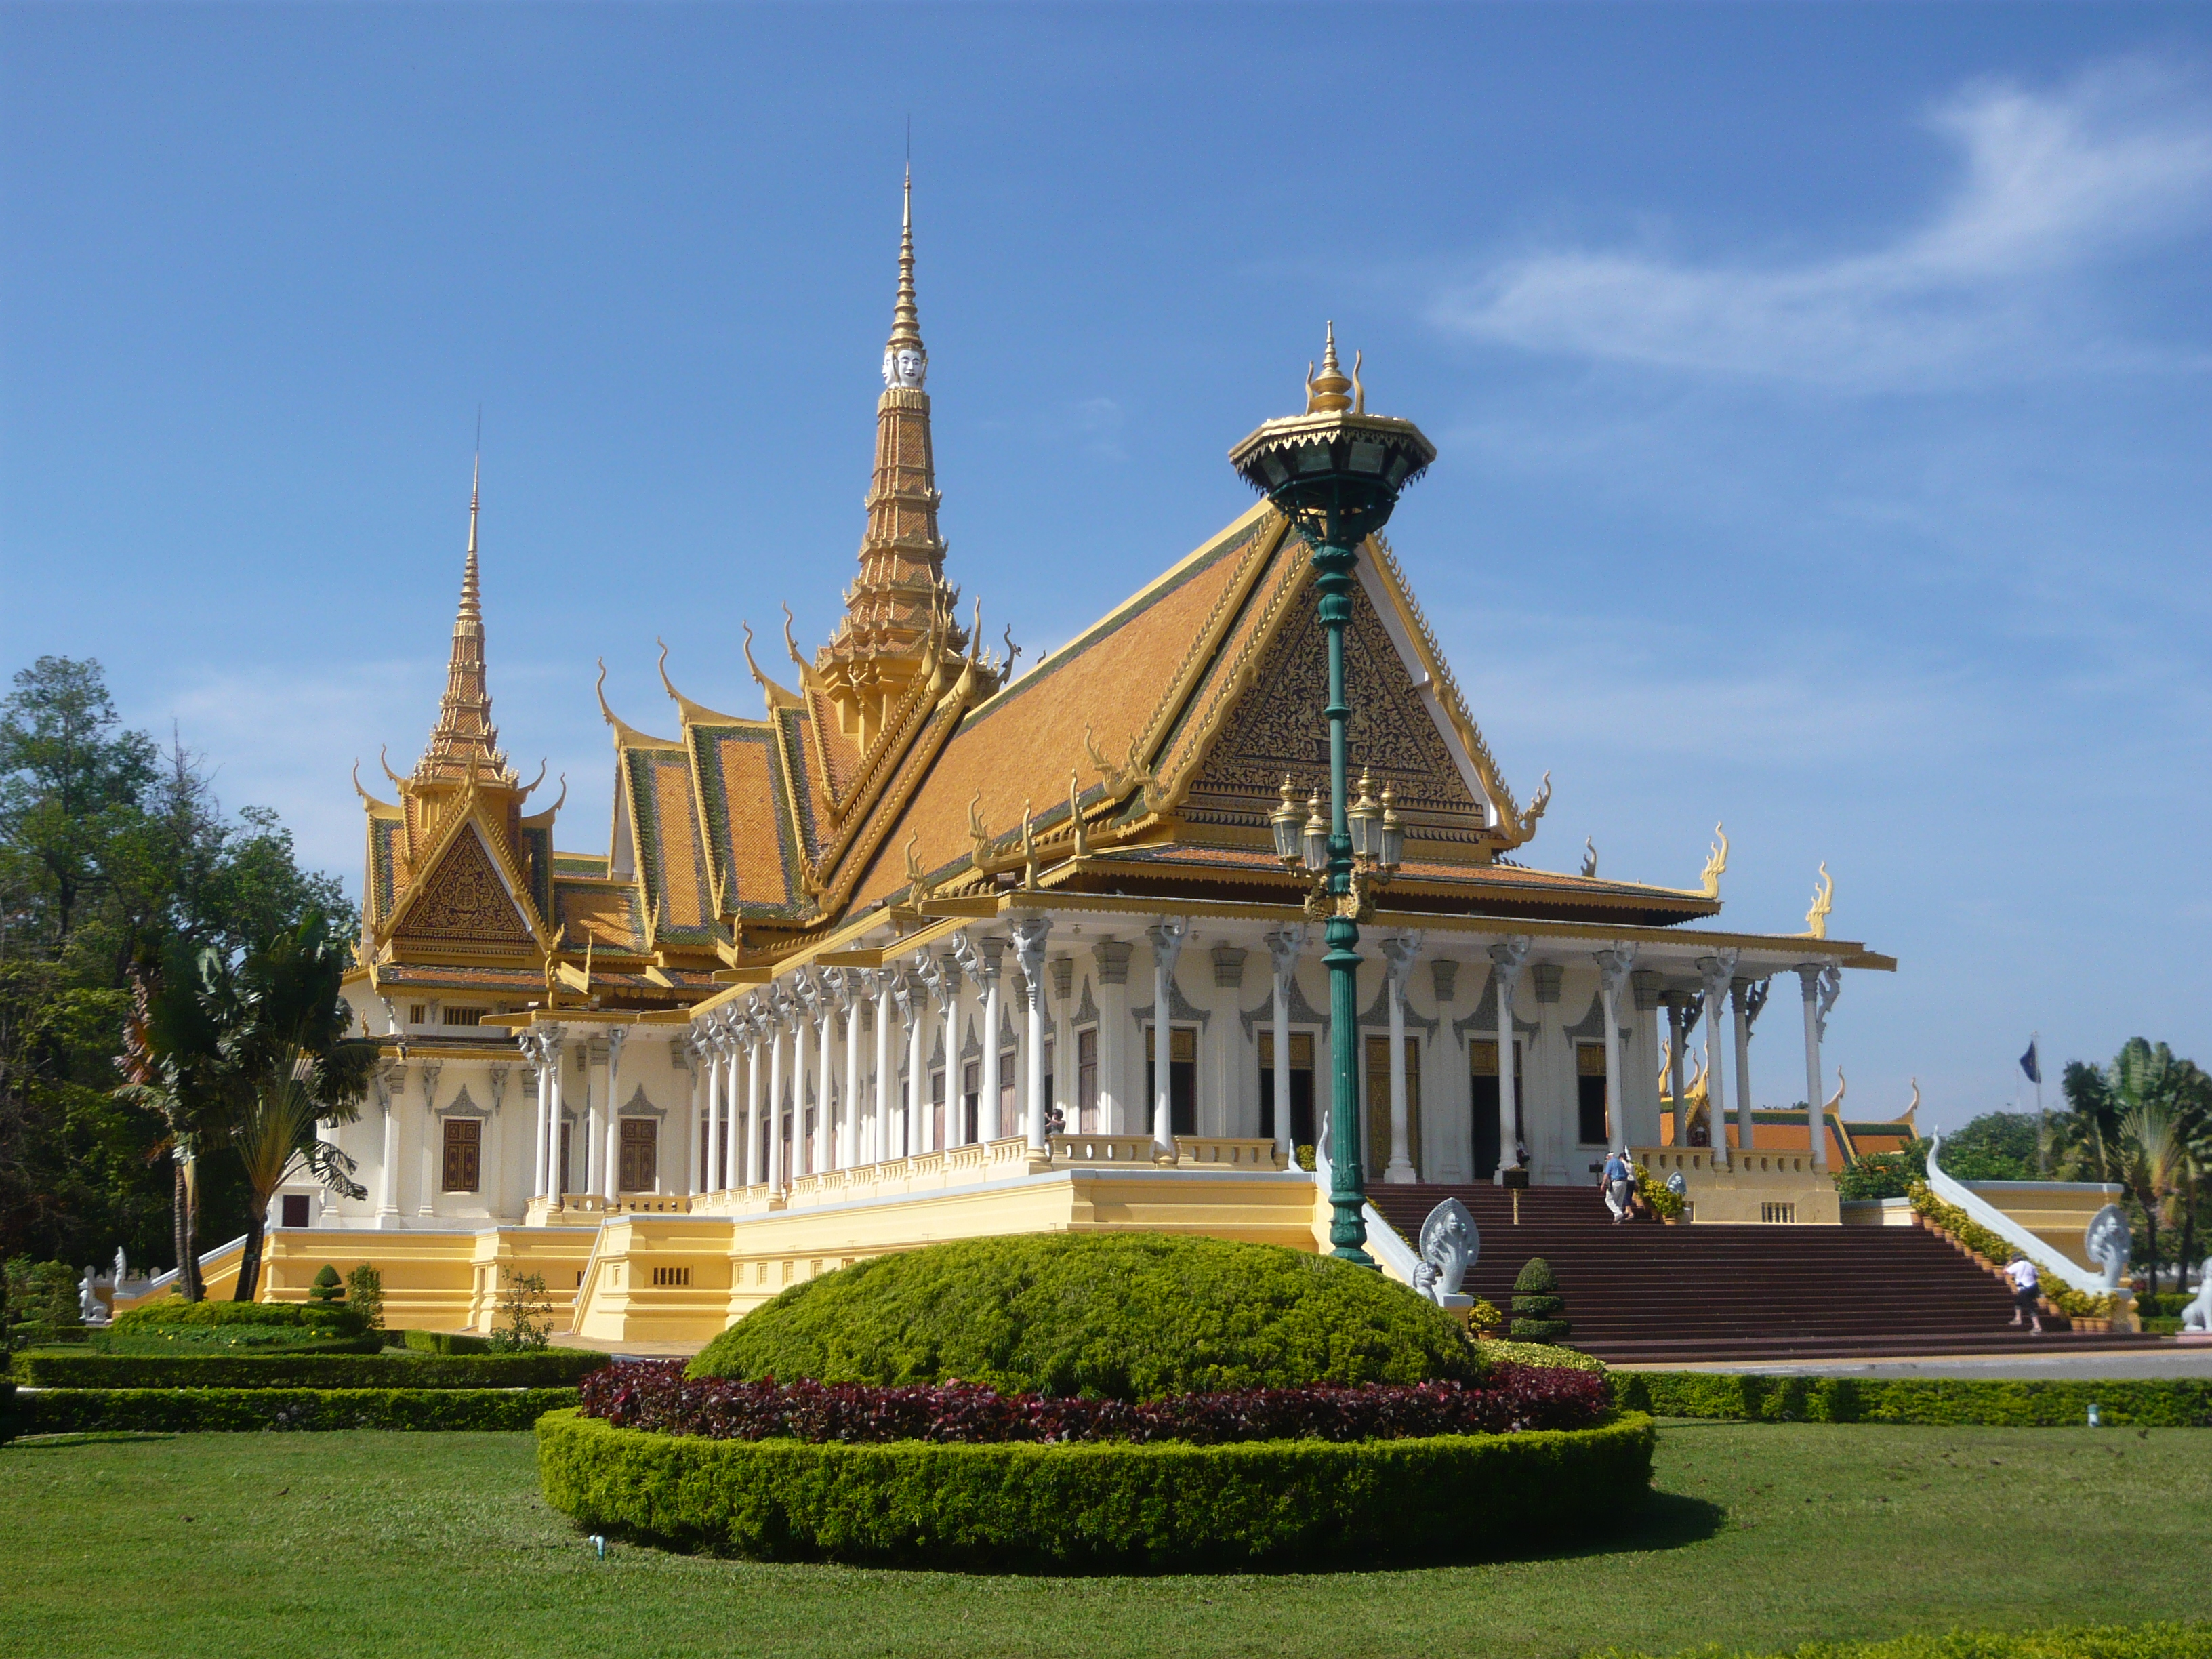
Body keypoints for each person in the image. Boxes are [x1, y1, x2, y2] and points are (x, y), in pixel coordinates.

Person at [2005, 1254, 2043, 1334]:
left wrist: (2007, 1265)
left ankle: (2037, 1326)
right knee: (2018, 1301)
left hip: (2025, 1289)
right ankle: (2018, 1319)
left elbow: (2005, 1272)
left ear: (2015, 1260)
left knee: (2030, 1307)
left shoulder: (2016, 1265)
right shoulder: (2030, 1264)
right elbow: (2036, 1276)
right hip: (2034, 1287)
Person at [1601, 1149, 1635, 1223]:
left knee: (1609, 1199)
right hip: (1624, 1183)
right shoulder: (1620, 1162)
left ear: (1608, 1156)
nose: (1606, 1160)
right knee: (1619, 1202)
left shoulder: (1611, 1162)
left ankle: (1618, 1214)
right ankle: (1618, 1219)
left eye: (1606, 1159)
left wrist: (1603, 1184)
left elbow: (1607, 1174)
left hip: (1616, 1182)